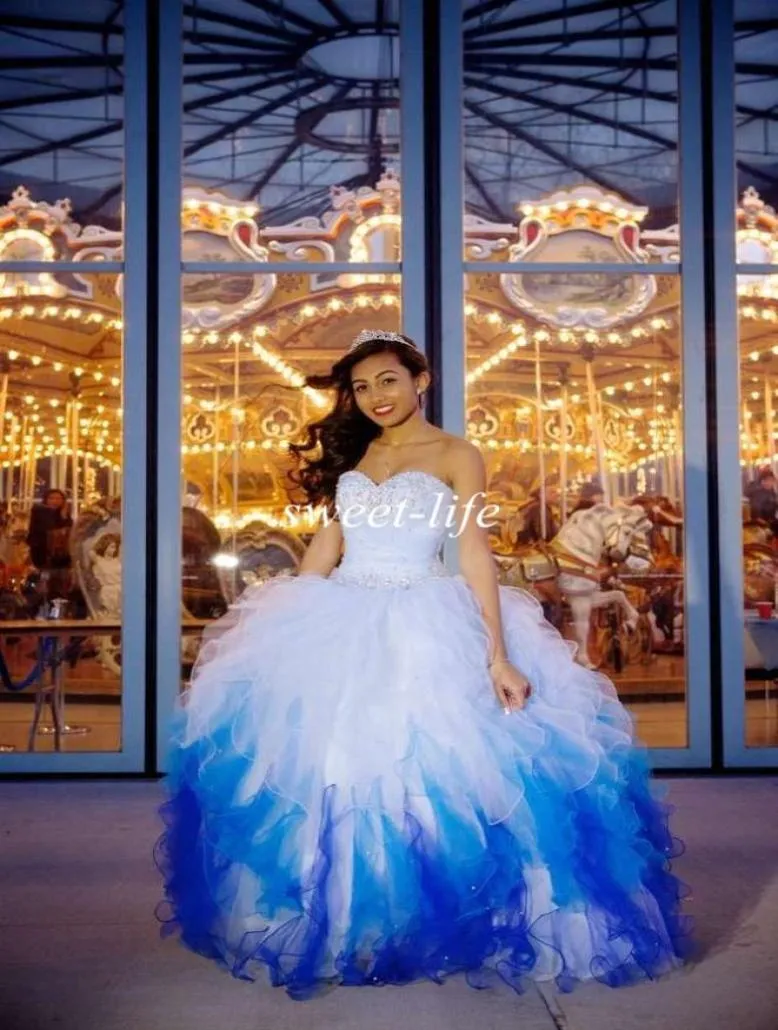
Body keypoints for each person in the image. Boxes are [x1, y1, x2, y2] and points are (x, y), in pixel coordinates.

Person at [155, 329, 691, 998]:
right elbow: (330, 542)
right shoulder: (360, 452)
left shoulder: (456, 454)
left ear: (421, 379)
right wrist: (279, 618)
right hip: (342, 614)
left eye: (388, 380)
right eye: (361, 386)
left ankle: (453, 915)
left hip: (424, 615)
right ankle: (355, 923)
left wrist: (497, 653)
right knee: (333, 764)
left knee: (437, 764)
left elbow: (471, 550)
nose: (376, 396)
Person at [745, 467, 778, 531]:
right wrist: (766, 525)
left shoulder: (771, 491)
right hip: (761, 525)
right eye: (769, 480)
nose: (771, 483)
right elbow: (756, 510)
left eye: (772, 480)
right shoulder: (758, 493)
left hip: (770, 520)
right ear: (762, 481)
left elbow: (774, 503)